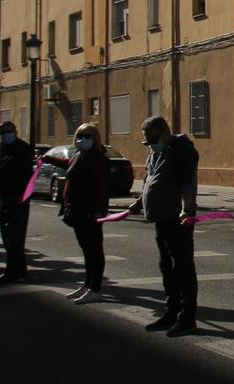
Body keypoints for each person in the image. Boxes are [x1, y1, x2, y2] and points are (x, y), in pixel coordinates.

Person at [122, 115, 200, 336]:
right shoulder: (156, 153)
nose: (150, 144)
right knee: (166, 267)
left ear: (165, 133)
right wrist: (138, 203)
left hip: (178, 219)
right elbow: (149, 180)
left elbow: (186, 182)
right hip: (162, 219)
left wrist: (186, 208)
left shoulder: (181, 150)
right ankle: (171, 311)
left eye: (153, 139)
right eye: (147, 141)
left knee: (182, 268)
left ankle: (187, 317)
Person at [60, 123, 112, 302]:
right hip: (77, 210)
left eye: (88, 136)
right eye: (80, 135)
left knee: (94, 250)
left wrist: (98, 211)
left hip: (89, 212)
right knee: (86, 250)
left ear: (95, 139)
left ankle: (95, 288)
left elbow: (101, 187)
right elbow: (66, 164)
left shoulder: (96, 158)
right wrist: (47, 159)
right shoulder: (79, 155)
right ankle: (88, 283)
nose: (83, 139)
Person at [0, 120, 37, 284]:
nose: (6, 135)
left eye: (9, 131)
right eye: (2, 133)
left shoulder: (23, 149)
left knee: (14, 237)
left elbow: (26, 175)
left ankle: (12, 271)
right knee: (8, 237)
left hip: (18, 199)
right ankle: (20, 270)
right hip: (4, 198)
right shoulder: (0, 150)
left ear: (15, 132)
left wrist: (22, 195)